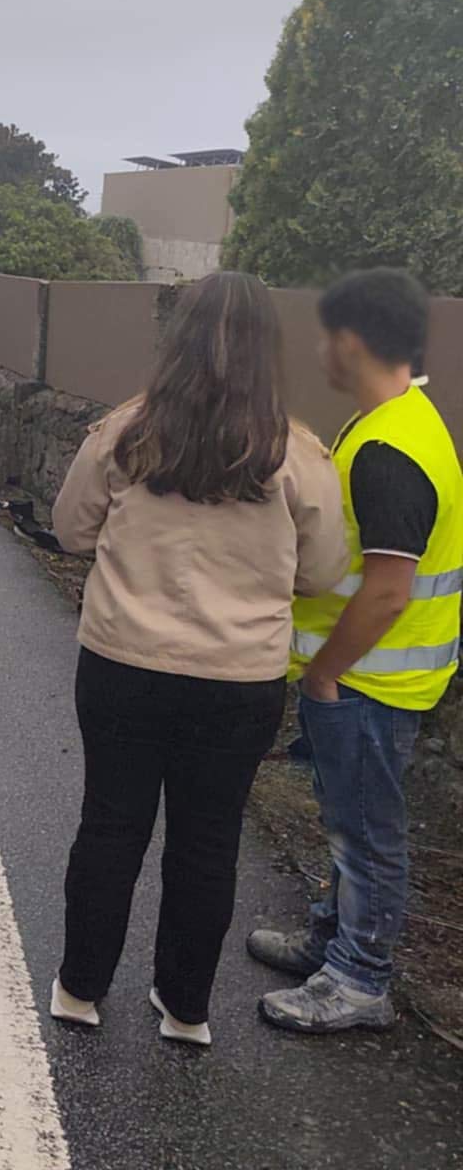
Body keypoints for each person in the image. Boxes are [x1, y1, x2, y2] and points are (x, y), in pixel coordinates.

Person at [49, 271, 347, 1046]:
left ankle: (80, 989)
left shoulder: (127, 431)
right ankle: (185, 1009)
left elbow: (71, 530)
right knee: (208, 840)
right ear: (265, 350)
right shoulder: (296, 452)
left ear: (175, 338)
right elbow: (321, 572)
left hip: (122, 663)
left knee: (111, 825)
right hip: (237, 681)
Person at [252, 268, 460, 1034]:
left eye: (325, 335)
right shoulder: (393, 423)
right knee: (345, 820)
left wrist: (328, 674)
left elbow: (388, 591)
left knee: (366, 831)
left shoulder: (390, 450)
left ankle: (360, 977)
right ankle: (329, 940)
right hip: (370, 680)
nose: (320, 351)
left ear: (350, 340)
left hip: (370, 685)